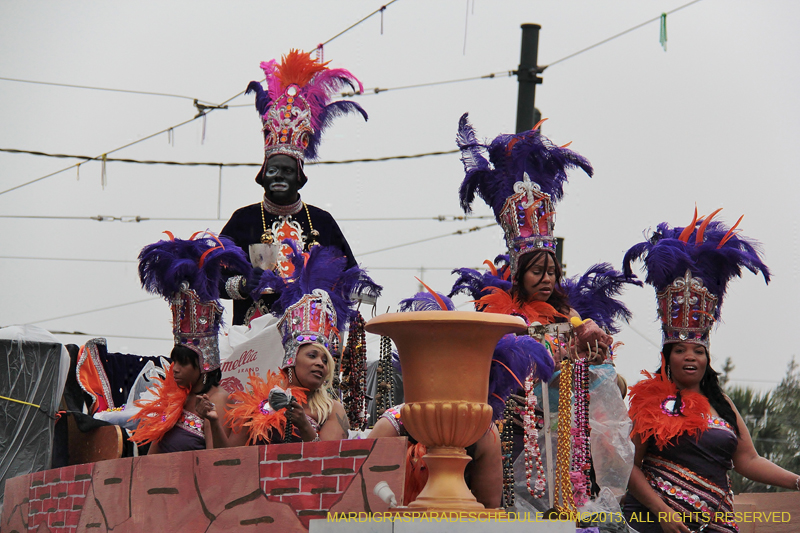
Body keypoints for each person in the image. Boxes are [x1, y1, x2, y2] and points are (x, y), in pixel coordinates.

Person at [622, 209, 800, 533]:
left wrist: (797, 481)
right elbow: (630, 467)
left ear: (706, 358)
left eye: (698, 351)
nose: (690, 357)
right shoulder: (647, 402)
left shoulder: (722, 404)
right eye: (680, 350)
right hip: (655, 524)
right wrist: (661, 511)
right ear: (668, 357)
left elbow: (748, 461)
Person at [221, 50, 366, 326]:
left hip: (310, 338)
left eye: (287, 171)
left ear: (299, 177)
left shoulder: (322, 221)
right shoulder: (243, 219)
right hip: (253, 345)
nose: (278, 176)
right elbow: (210, 275)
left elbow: (351, 276)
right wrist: (241, 284)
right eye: (272, 170)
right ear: (262, 175)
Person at [210, 244, 380, 446]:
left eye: (325, 360)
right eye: (312, 356)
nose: (320, 363)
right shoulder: (257, 401)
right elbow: (229, 457)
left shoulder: (332, 409)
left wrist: (304, 426)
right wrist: (212, 421)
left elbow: (334, 463)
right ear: (291, 358)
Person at [130, 232, 249, 453]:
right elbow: (152, 453)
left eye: (183, 363)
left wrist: (211, 420)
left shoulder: (220, 400)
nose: (174, 369)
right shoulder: (177, 397)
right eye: (174, 362)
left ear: (204, 363)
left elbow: (217, 461)